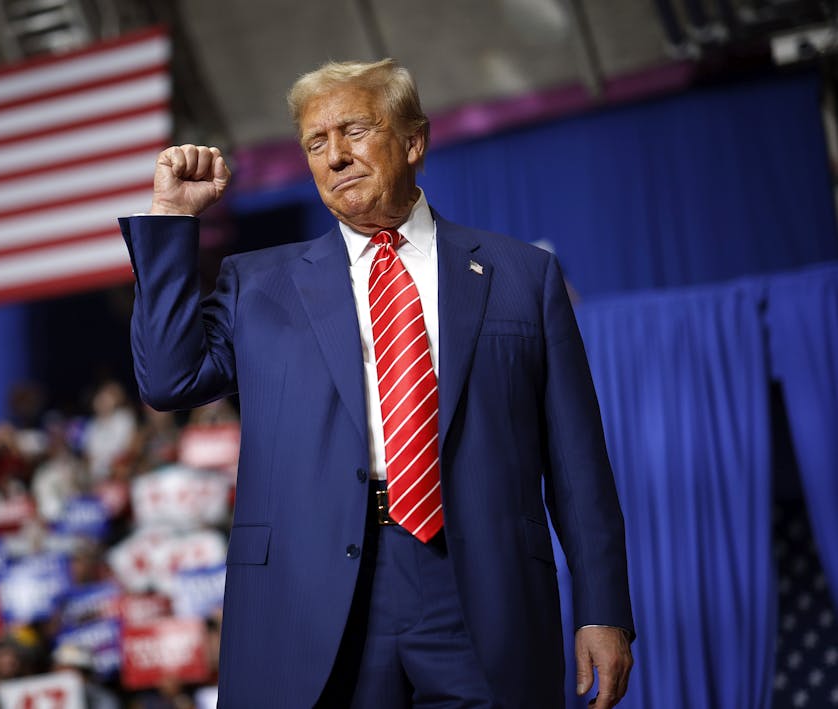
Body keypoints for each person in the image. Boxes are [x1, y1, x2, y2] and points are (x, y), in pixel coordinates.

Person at [119, 58, 634, 708]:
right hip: (312, 594)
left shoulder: (522, 277)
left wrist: (602, 606)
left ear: (414, 140)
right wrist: (170, 219)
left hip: (480, 588)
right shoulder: (258, 283)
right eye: (315, 142)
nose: (334, 156)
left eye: (353, 131)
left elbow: (577, 463)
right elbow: (169, 378)